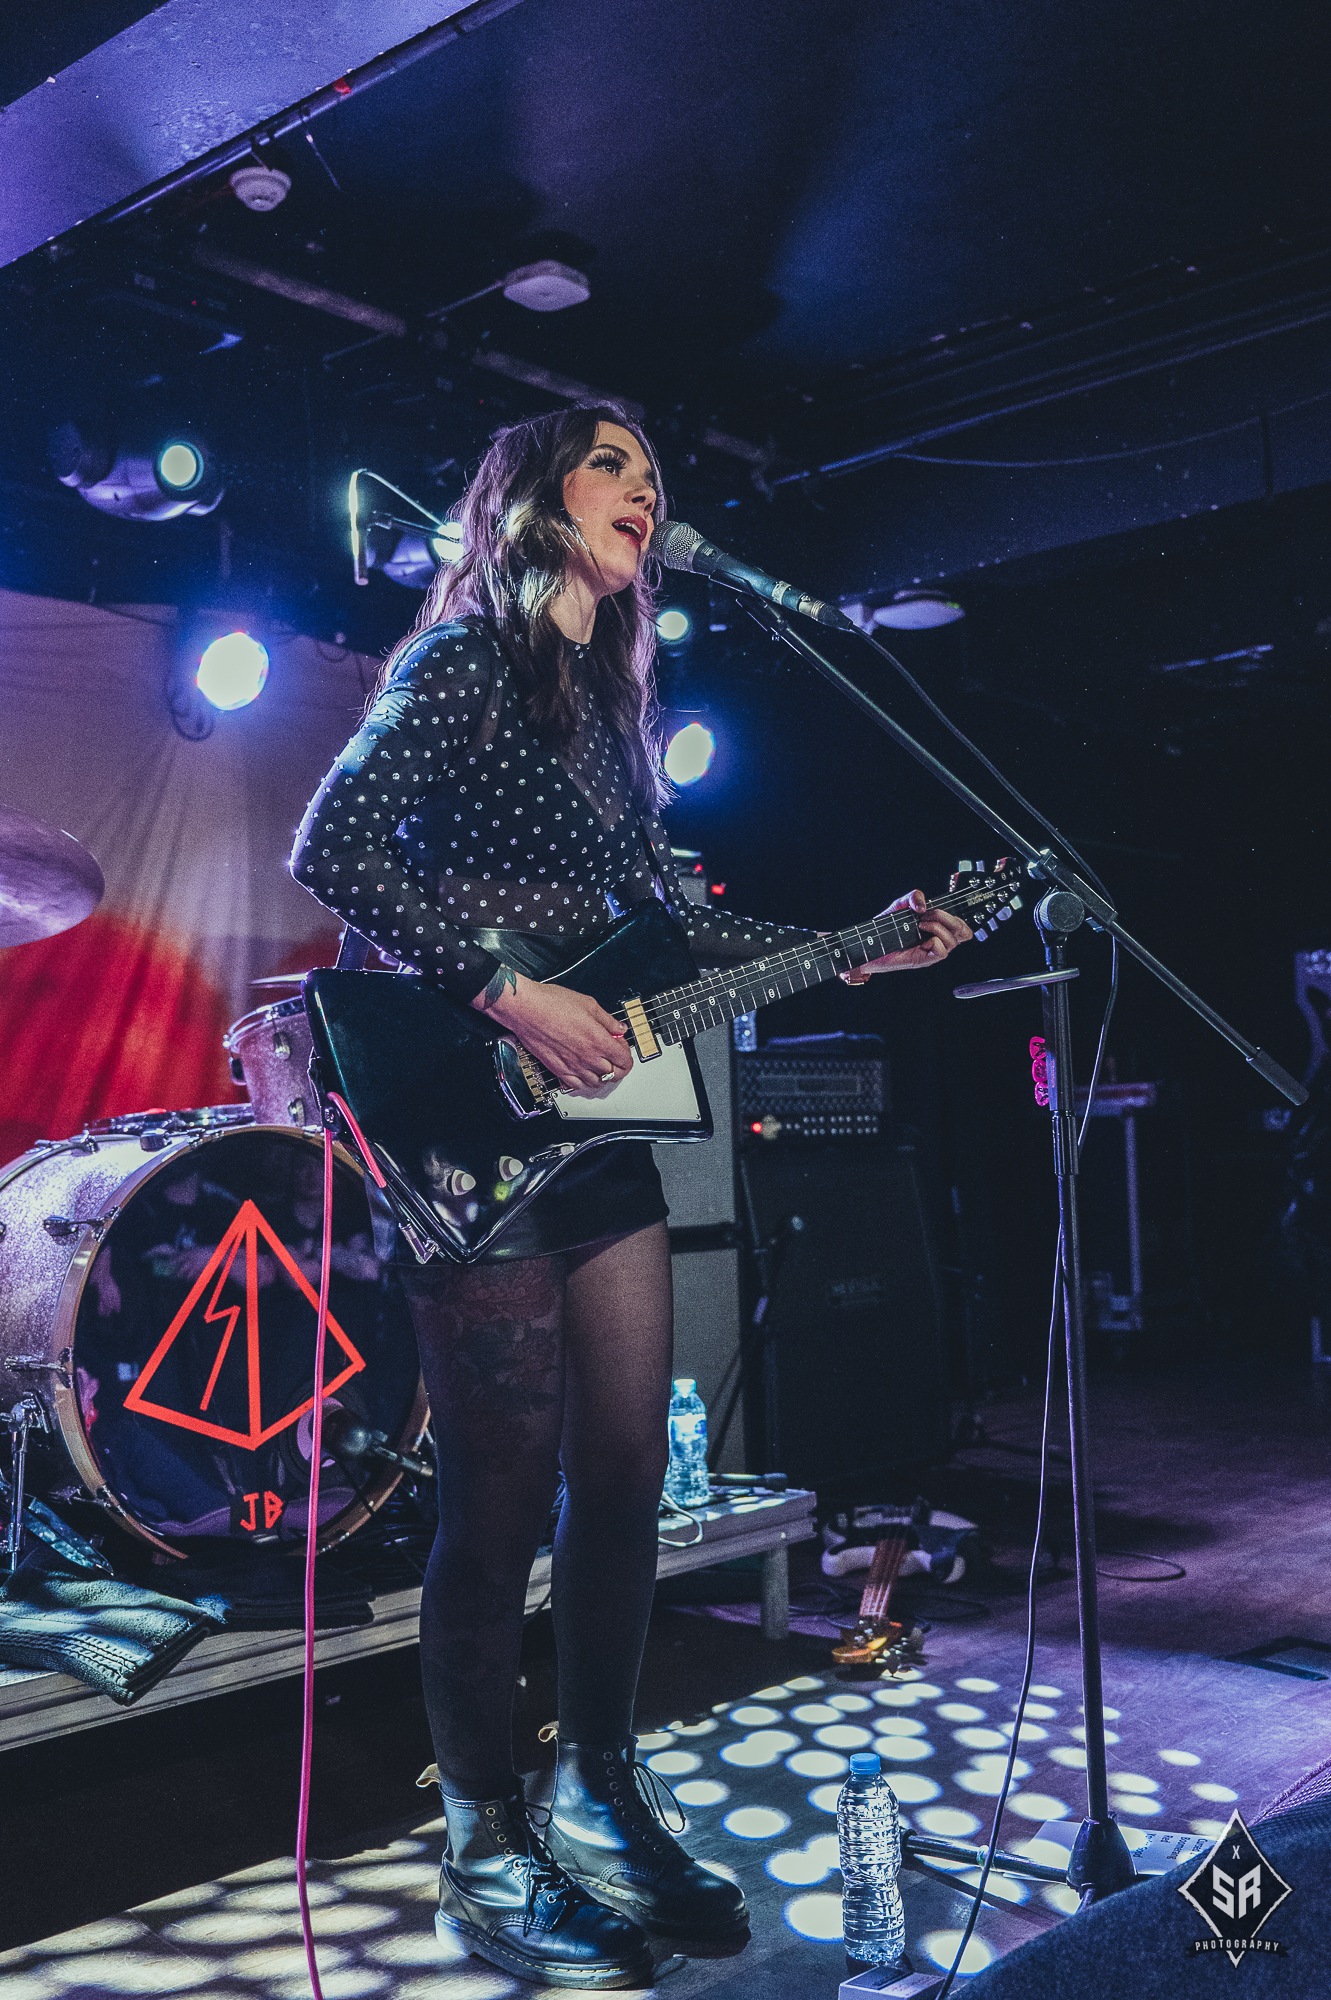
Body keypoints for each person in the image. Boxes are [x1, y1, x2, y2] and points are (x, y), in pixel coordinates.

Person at [291, 405, 970, 1987]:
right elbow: (334, 847)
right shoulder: (458, 662)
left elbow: (671, 936)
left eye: (656, 477)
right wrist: (510, 994)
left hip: (592, 1142)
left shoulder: (608, 714)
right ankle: (483, 1833)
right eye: (616, 467)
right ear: (532, 498)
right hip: (464, 1131)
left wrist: (859, 944)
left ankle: (597, 1783)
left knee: (623, 1477)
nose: (648, 492)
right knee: (498, 1502)